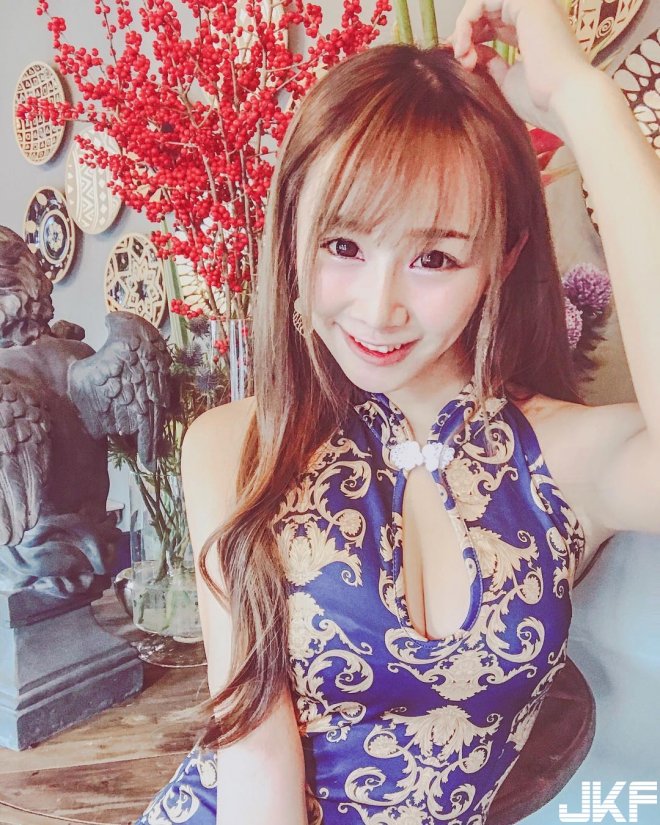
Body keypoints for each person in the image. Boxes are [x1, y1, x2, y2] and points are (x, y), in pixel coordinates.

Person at [134, 0, 660, 823]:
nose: (379, 308)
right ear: (292, 232)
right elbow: (255, 768)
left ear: (502, 260)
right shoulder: (235, 445)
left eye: (435, 258)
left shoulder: (562, 460)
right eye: (343, 245)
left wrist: (579, 94)